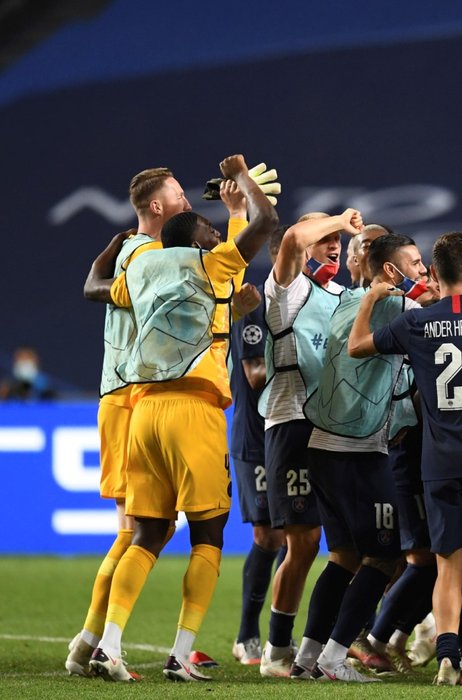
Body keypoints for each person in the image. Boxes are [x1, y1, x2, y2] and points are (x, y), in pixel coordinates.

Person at [88, 154, 279, 682]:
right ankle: (181, 651)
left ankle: (108, 644)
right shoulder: (211, 264)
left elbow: (103, 286)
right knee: (209, 533)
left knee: (146, 532)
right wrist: (239, 177)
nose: (218, 236)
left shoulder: (143, 264)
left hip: (143, 412)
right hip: (193, 411)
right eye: (212, 232)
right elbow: (266, 225)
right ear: (200, 244)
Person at [349, 232, 462, 686]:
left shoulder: (417, 322)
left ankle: (446, 659)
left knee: (448, 566)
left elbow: (357, 345)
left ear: (436, 274)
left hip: (439, 464)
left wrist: (369, 299)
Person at [65, 166, 193, 677]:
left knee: (150, 530)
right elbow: (97, 290)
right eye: (179, 195)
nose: (186, 201)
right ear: (157, 207)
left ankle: (90, 640)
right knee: (138, 530)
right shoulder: (146, 256)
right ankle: (92, 641)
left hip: (137, 397)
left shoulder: (134, 252)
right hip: (129, 396)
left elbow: (94, 286)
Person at [293, 232, 426, 682]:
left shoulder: (346, 301)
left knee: (344, 557)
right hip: (359, 453)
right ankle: (333, 660)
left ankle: (306, 658)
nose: (422, 270)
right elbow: (444, 306)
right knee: (383, 558)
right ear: (391, 272)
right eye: (415, 262)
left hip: (323, 449)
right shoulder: (399, 307)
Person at [258, 209, 359, 677]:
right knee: (302, 543)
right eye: (327, 239)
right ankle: (275, 649)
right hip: (291, 422)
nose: (333, 244)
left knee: (345, 546)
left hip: (335, 430)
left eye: (337, 239)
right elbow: (295, 237)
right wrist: (337, 217)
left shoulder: (343, 295)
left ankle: (321, 647)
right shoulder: (288, 290)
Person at [230, 225, 287, 666]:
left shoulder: (305, 302)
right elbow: (254, 377)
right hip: (257, 435)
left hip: (292, 431)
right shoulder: (256, 305)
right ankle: (248, 635)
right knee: (269, 534)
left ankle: (279, 638)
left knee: (297, 535)